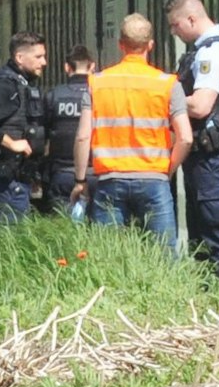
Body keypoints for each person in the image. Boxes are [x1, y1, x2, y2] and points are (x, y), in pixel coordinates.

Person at [71, 14, 191, 247]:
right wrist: (167, 171)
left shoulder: (97, 82)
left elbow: (83, 136)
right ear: (151, 45)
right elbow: (185, 138)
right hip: (154, 180)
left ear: (120, 45)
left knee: (110, 256)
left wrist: (80, 180)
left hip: (110, 180)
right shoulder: (167, 84)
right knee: (163, 256)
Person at [167, 0, 219, 283]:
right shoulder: (208, 49)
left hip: (212, 157)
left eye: (175, 25)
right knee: (202, 236)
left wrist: (164, 98)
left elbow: (200, 106)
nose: (174, 32)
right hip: (207, 156)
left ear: (191, 18)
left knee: (216, 234)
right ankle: (208, 297)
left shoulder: (212, 53)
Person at [0, 31, 49, 224]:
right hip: (6, 175)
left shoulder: (22, 84)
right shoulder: (5, 84)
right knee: (14, 234)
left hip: (19, 175)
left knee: (17, 233)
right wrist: (11, 143)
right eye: (38, 57)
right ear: (19, 58)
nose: (44, 62)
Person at [44, 44, 96, 220]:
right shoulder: (100, 95)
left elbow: (43, 136)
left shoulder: (53, 96)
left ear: (67, 67)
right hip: (97, 174)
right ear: (92, 66)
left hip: (62, 175)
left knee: (62, 228)